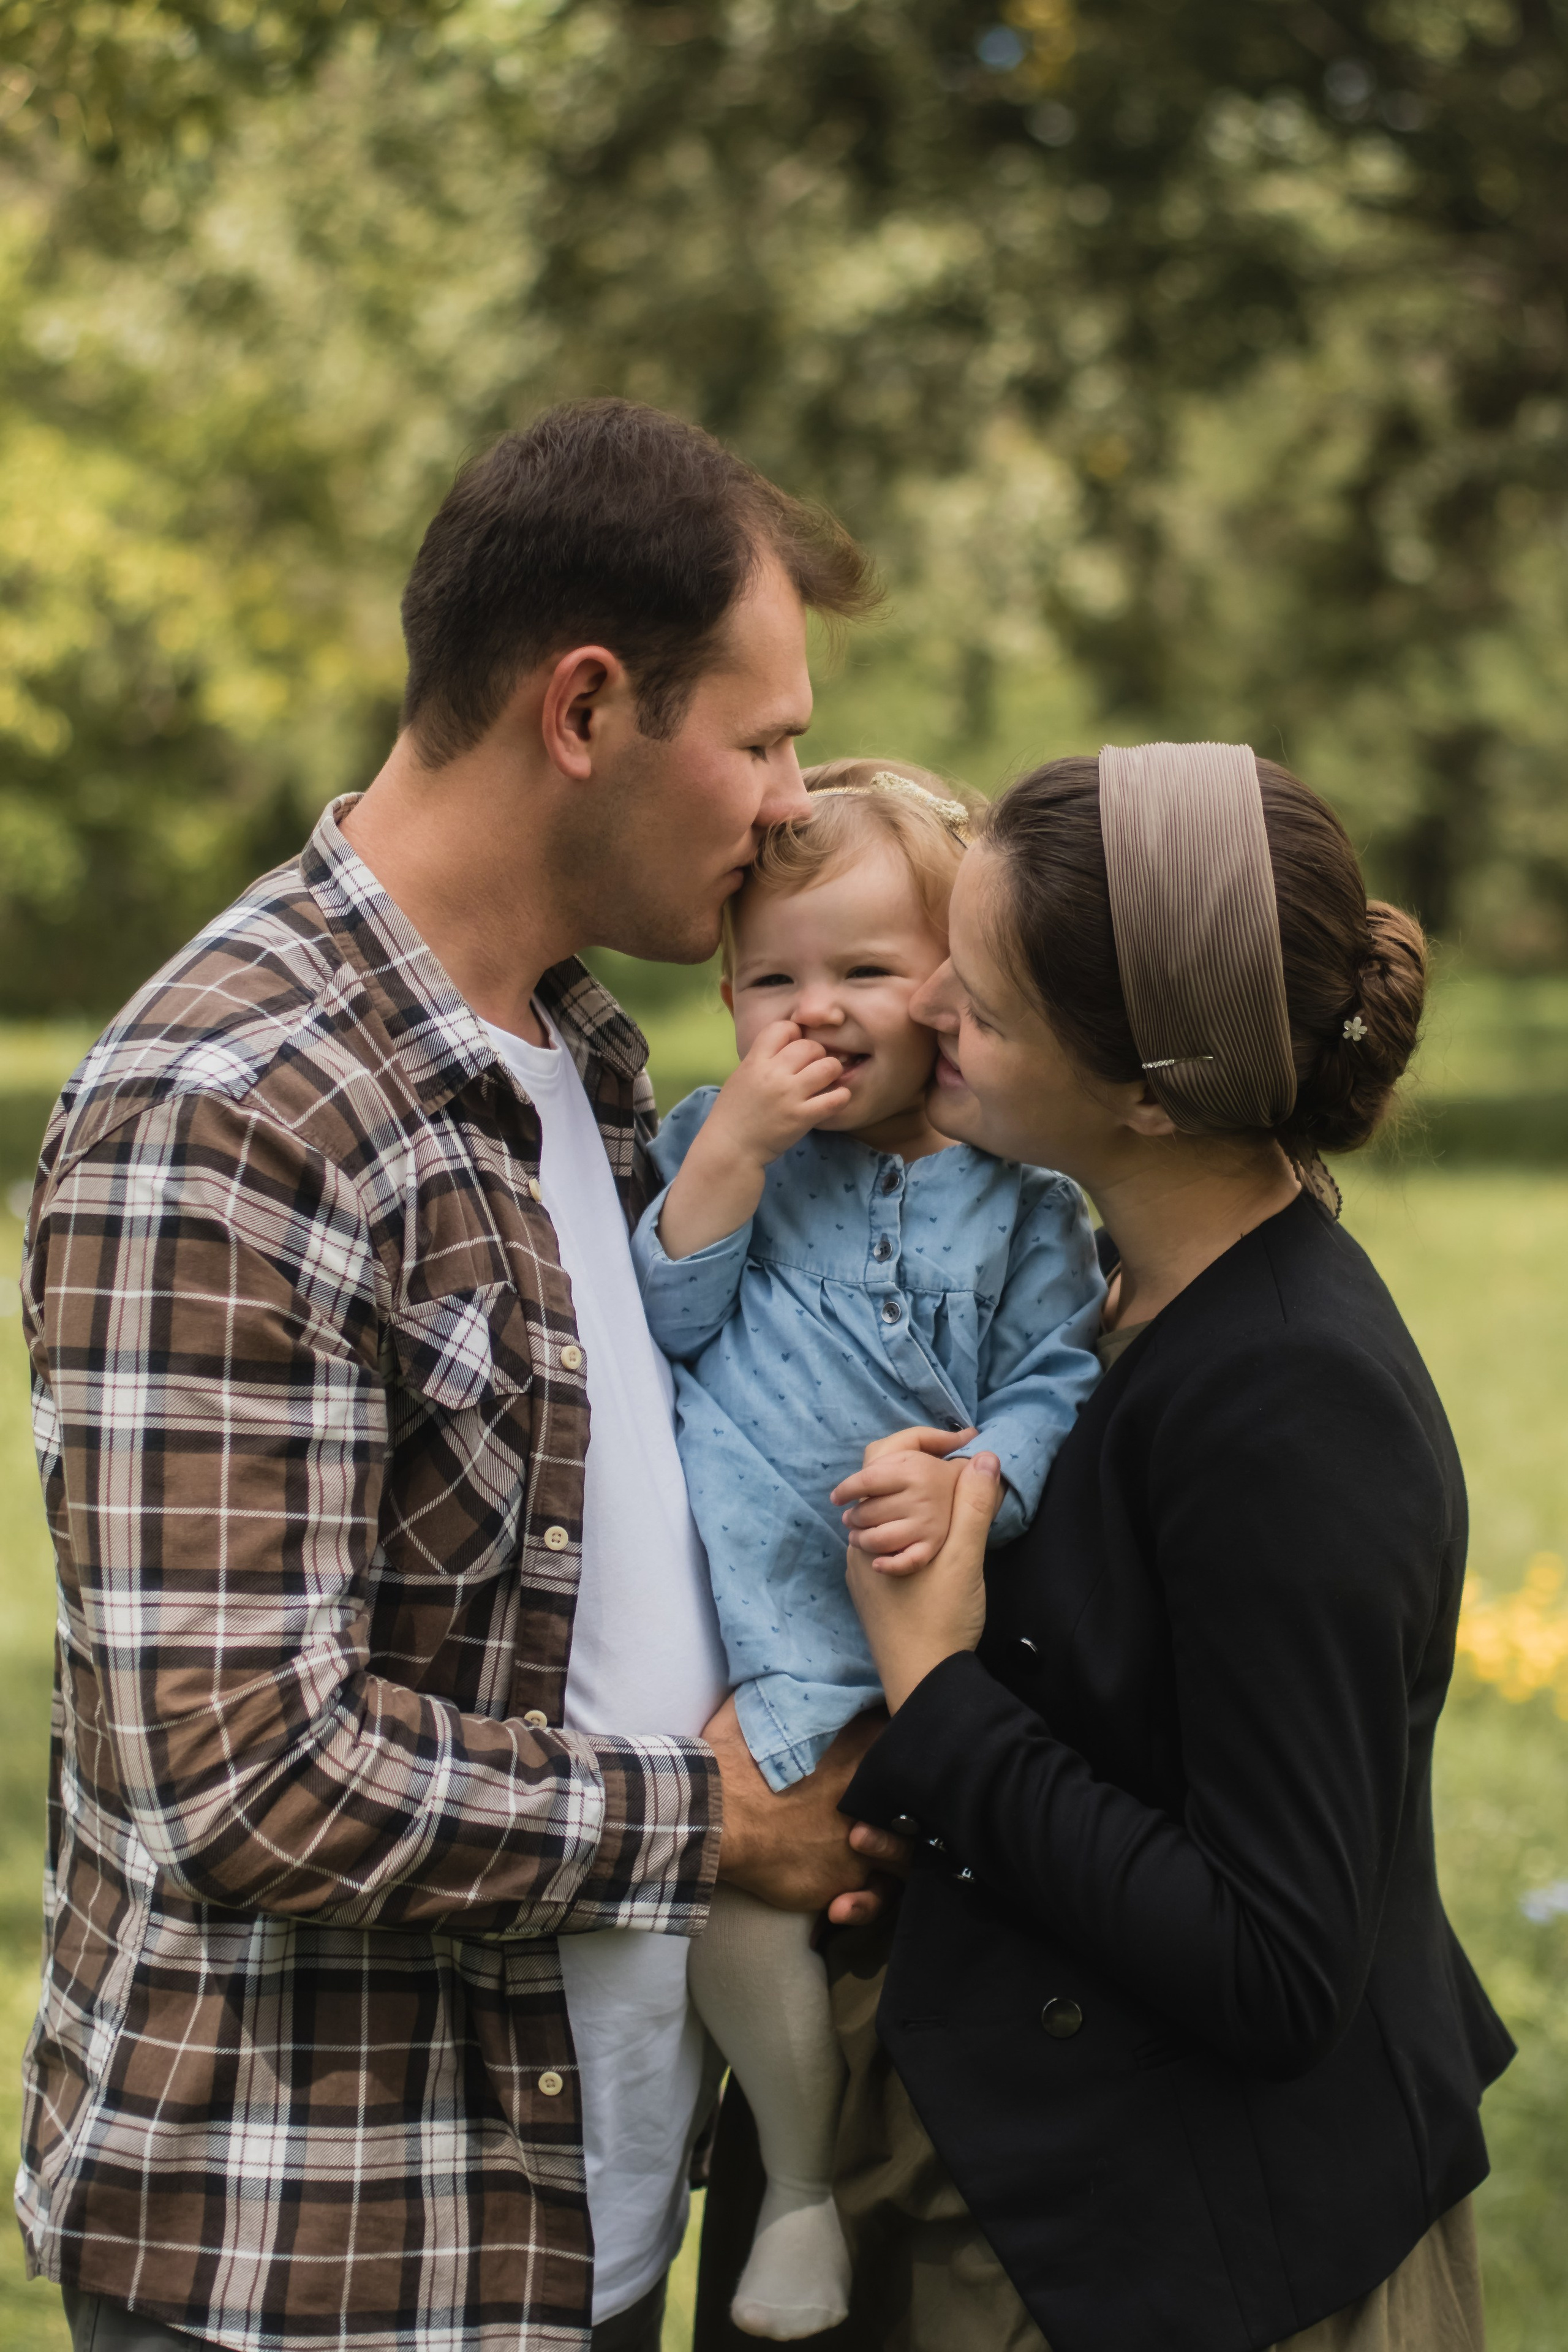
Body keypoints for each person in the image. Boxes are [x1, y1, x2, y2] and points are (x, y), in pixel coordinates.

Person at [15, 398, 912, 2352]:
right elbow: (238, 1774)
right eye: (760, 739)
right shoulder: (232, 1111)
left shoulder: (583, 1063)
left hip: (570, 2223)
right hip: (318, 2265)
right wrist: (717, 1828)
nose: (790, 798)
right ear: (585, 709)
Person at [820, 743, 1514, 2351]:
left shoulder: (1290, 1402)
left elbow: (1276, 1965)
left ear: (1147, 1089)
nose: (927, 1015)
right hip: (1069, 2188)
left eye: (981, 1008)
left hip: (1221, 2268)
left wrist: (938, 1700)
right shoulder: (1111, 1289)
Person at [630, 762, 1103, 2336]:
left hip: (908, 1615)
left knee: (888, 1910)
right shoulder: (724, 1146)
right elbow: (661, 1324)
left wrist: (975, 1484)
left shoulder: (1024, 1198)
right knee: (738, 1899)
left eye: (864, 973)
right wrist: (734, 1155)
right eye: (773, 977)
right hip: (759, 1616)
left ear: (951, 992)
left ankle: (882, 2177)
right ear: (725, 990)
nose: (812, 1011)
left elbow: (1055, 1381)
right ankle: (798, 2191)